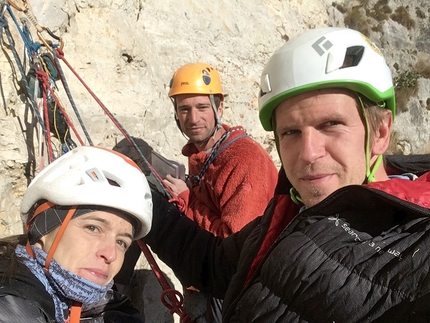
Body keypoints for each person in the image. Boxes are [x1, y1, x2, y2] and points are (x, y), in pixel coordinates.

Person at [141, 27, 430, 322]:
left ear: (380, 133)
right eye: (291, 132)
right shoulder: (289, 209)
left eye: (331, 124)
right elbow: (216, 264)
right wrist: (143, 204)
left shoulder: (419, 246)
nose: (308, 153)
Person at [163, 62, 278, 322]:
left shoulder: (243, 160)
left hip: (236, 293)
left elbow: (233, 247)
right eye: (184, 109)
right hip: (207, 283)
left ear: (220, 107)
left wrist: (187, 201)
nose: (193, 119)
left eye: (202, 107)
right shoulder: (206, 155)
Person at [0, 145, 153, 322]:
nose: (110, 254)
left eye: (121, 242)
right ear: (43, 228)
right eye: (93, 228)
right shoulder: (10, 310)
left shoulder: (109, 310)